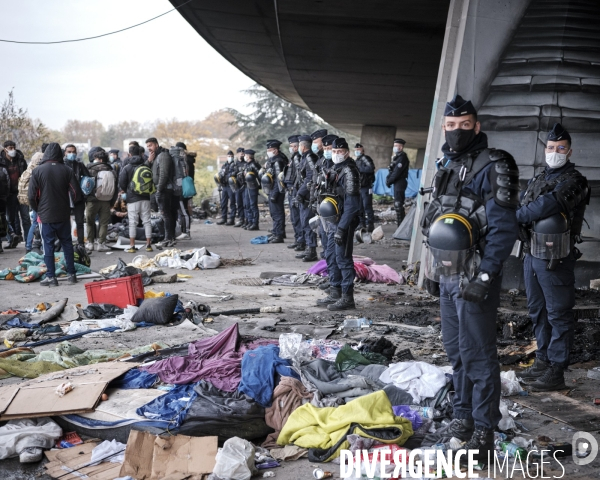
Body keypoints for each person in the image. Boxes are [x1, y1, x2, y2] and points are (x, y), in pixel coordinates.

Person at [419, 95, 519, 461]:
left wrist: (488, 274)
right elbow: (437, 218)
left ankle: (484, 429)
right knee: (457, 352)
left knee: (478, 355)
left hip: (476, 275)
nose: (457, 131)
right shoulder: (447, 161)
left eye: (464, 126)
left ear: (476, 126)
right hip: (447, 276)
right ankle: (462, 418)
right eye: (450, 126)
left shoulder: (495, 164)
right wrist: (430, 269)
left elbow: (504, 228)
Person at [517, 123, 589, 391]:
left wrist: (516, 217)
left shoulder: (575, 181)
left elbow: (549, 205)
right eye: (550, 148)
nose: (554, 152)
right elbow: (524, 202)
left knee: (558, 313)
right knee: (538, 310)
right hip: (531, 253)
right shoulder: (538, 178)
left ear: (569, 152)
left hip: (555, 256)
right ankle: (543, 360)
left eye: (560, 148)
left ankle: (556, 370)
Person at [316, 138, 361, 310]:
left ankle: (347, 298)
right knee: (331, 255)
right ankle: (335, 290)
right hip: (331, 221)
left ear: (347, 152)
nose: (335, 154)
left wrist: (342, 229)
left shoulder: (349, 171)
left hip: (344, 222)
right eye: (334, 151)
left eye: (339, 152)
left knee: (343, 259)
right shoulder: (335, 168)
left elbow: (352, 206)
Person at [28, 142, 80, 287]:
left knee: (48, 246)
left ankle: (51, 277)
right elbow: (76, 193)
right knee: (67, 244)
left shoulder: (38, 171)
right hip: (63, 214)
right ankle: (72, 274)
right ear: (60, 153)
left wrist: (38, 209)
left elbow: (31, 196)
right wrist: (71, 207)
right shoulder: (67, 170)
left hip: (45, 216)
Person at [119, 145, 154, 253]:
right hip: (146, 197)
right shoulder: (145, 166)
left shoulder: (127, 167)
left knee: (132, 222)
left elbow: (122, 183)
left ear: (129, 154)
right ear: (141, 154)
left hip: (132, 198)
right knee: (147, 222)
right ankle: (148, 245)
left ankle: (132, 246)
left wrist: (125, 191)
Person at [147, 137, 178, 247]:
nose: (149, 148)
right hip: (162, 189)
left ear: (156, 144)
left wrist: (159, 189)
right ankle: (170, 238)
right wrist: (149, 161)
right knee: (166, 214)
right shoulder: (156, 156)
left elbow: (164, 174)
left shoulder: (163, 155)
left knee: (166, 214)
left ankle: (168, 238)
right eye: (147, 146)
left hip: (165, 189)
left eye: (150, 145)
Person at [86, 149, 118, 252]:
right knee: (103, 223)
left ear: (99, 159)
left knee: (90, 222)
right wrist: (112, 202)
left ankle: (90, 243)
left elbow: (85, 185)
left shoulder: (90, 169)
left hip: (92, 200)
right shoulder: (111, 170)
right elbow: (115, 188)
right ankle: (101, 244)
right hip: (106, 200)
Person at [295, 135, 319, 261]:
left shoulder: (309, 157)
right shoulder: (305, 157)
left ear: (303, 147)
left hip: (307, 196)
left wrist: (300, 192)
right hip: (305, 195)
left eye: (299, 145)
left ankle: (312, 250)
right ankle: (308, 248)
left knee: (308, 222)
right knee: (304, 222)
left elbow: (311, 177)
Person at [3, 140, 30, 245]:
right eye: (10, 148)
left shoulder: (21, 160)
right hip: (9, 194)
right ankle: (11, 240)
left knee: (26, 218)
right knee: (10, 218)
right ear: (5, 149)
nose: (12, 150)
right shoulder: (2, 161)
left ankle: (28, 241)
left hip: (21, 193)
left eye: (13, 147)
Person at [64, 144, 90, 248]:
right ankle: (67, 244)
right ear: (65, 153)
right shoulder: (62, 165)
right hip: (65, 198)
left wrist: (85, 191)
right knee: (65, 223)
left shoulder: (79, 165)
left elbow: (88, 178)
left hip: (78, 197)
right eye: (69, 152)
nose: (71, 154)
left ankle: (81, 244)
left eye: (73, 152)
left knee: (80, 222)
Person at [285, 135, 304, 250]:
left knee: (297, 218)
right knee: (294, 218)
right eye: (290, 146)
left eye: (293, 146)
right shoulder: (294, 157)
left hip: (295, 191)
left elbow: (299, 176)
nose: (292, 148)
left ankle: (301, 242)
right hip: (292, 191)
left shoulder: (297, 158)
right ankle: (298, 240)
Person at [385, 138, 409, 225]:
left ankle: (400, 226)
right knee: (397, 205)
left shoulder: (402, 158)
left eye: (396, 146)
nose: (395, 147)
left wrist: (389, 181)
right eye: (394, 146)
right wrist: (388, 179)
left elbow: (397, 172)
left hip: (400, 181)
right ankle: (400, 225)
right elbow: (392, 171)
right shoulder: (397, 157)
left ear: (401, 147)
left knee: (398, 205)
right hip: (397, 182)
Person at [354, 143, 376, 232]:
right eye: (355, 150)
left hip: (366, 187)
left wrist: (359, 169)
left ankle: (370, 224)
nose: (357, 152)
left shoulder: (365, 158)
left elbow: (371, 168)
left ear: (362, 150)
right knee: (360, 207)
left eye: (358, 150)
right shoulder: (357, 160)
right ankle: (361, 224)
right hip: (359, 187)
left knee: (367, 206)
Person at [243, 149, 261, 230]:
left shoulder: (254, 164)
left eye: (246, 155)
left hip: (253, 186)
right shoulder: (247, 164)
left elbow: (259, 174)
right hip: (247, 186)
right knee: (247, 204)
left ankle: (255, 223)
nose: (244, 157)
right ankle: (250, 221)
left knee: (253, 205)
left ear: (248, 156)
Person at [217, 151, 236, 225]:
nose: (230, 157)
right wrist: (219, 184)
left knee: (232, 203)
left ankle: (231, 219)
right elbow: (220, 174)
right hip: (224, 186)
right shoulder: (224, 165)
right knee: (223, 203)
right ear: (226, 156)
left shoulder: (234, 165)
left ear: (233, 156)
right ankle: (224, 218)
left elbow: (234, 173)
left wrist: (227, 175)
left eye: (231, 156)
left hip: (231, 186)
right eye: (228, 156)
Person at [231, 147, 247, 228]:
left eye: (243, 153)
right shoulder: (234, 164)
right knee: (239, 203)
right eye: (240, 153)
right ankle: (241, 219)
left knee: (245, 204)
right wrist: (235, 173)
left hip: (245, 186)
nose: (242, 154)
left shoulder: (246, 163)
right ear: (237, 154)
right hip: (237, 186)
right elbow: (229, 175)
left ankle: (247, 219)